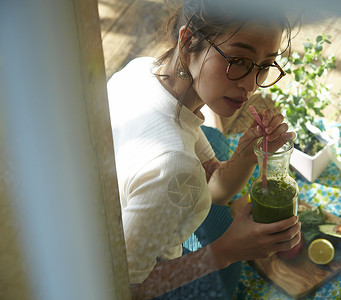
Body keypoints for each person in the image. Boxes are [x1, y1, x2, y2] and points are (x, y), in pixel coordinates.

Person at [107, 0, 301, 298]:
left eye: (264, 66)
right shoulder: (173, 164)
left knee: (217, 165)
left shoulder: (142, 70)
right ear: (187, 43)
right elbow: (119, 288)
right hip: (123, 273)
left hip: (116, 222)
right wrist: (224, 253)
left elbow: (216, 188)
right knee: (226, 273)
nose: (251, 86)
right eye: (238, 60)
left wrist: (248, 152)